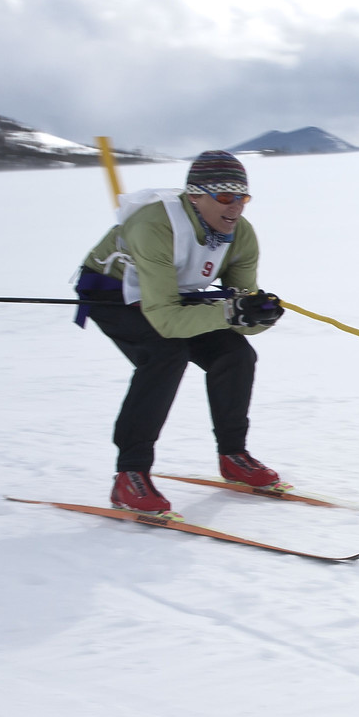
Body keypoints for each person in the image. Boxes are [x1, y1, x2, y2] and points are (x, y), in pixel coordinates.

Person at [75, 150, 286, 513]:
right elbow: (168, 322)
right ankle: (130, 475)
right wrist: (231, 312)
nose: (235, 207)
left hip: (170, 295)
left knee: (236, 354)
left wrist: (257, 315)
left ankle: (233, 455)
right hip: (113, 292)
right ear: (194, 196)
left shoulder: (242, 236)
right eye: (224, 197)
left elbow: (238, 313)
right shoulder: (153, 226)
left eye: (242, 197)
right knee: (164, 353)